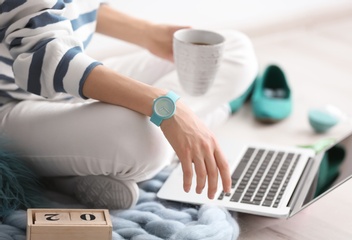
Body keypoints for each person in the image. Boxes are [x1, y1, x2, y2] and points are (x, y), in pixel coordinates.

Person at [0, 0, 258, 209]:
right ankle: (69, 171)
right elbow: (46, 61)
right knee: (147, 141)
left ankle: (80, 162)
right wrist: (165, 107)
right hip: (12, 105)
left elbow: (73, 8)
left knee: (233, 50)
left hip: (66, 83)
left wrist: (149, 34)